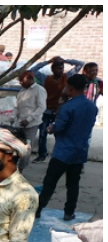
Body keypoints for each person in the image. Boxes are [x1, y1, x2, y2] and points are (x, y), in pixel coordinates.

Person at [36, 74, 98, 221]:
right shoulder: (92, 107)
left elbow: (60, 127)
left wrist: (51, 128)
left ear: (70, 88)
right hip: (80, 151)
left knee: (50, 182)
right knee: (73, 184)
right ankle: (69, 212)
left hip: (63, 151)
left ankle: (38, 209)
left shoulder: (68, 107)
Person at [30, 57, 85, 162]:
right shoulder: (45, 78)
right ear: (53, 69)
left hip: (60, 111)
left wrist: (65, 60)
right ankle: (42, 154)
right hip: (46, 110)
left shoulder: (67, 77)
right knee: (42, 134)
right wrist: (48, 61)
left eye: (62, 68)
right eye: (59, 68)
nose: (61, 70)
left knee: (59, 134)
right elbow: (33, 70)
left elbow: (80, 63)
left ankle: (58, 155)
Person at [14, 71, 46, 165]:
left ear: (30, 79)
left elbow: (42, 107)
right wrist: (11, 117)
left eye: (22, 80)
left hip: (31, 124)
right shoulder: (22, 90)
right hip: (19, 122)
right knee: (16, 146)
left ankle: (21, 168)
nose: (20, 82)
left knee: (26, 148)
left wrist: (28, 120)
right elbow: (17, 106)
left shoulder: (39, 90)